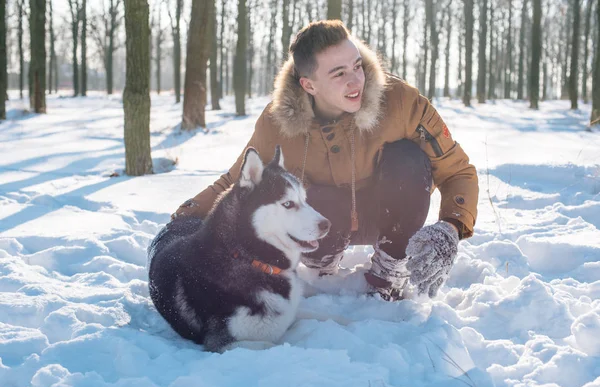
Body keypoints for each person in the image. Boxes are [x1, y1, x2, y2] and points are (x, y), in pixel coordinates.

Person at [172, 20, 479, 301]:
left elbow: (457, 170)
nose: (355, 80)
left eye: (357, 66)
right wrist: (184, 219)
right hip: (323, 223)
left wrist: (450, 227)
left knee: (409, 159)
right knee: (304, 194)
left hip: (389, 213)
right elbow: (237, 183)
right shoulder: (277, 121)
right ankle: (321, 266)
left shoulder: (400, 101)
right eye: (339, 73)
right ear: (309, 85)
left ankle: (391, 270)